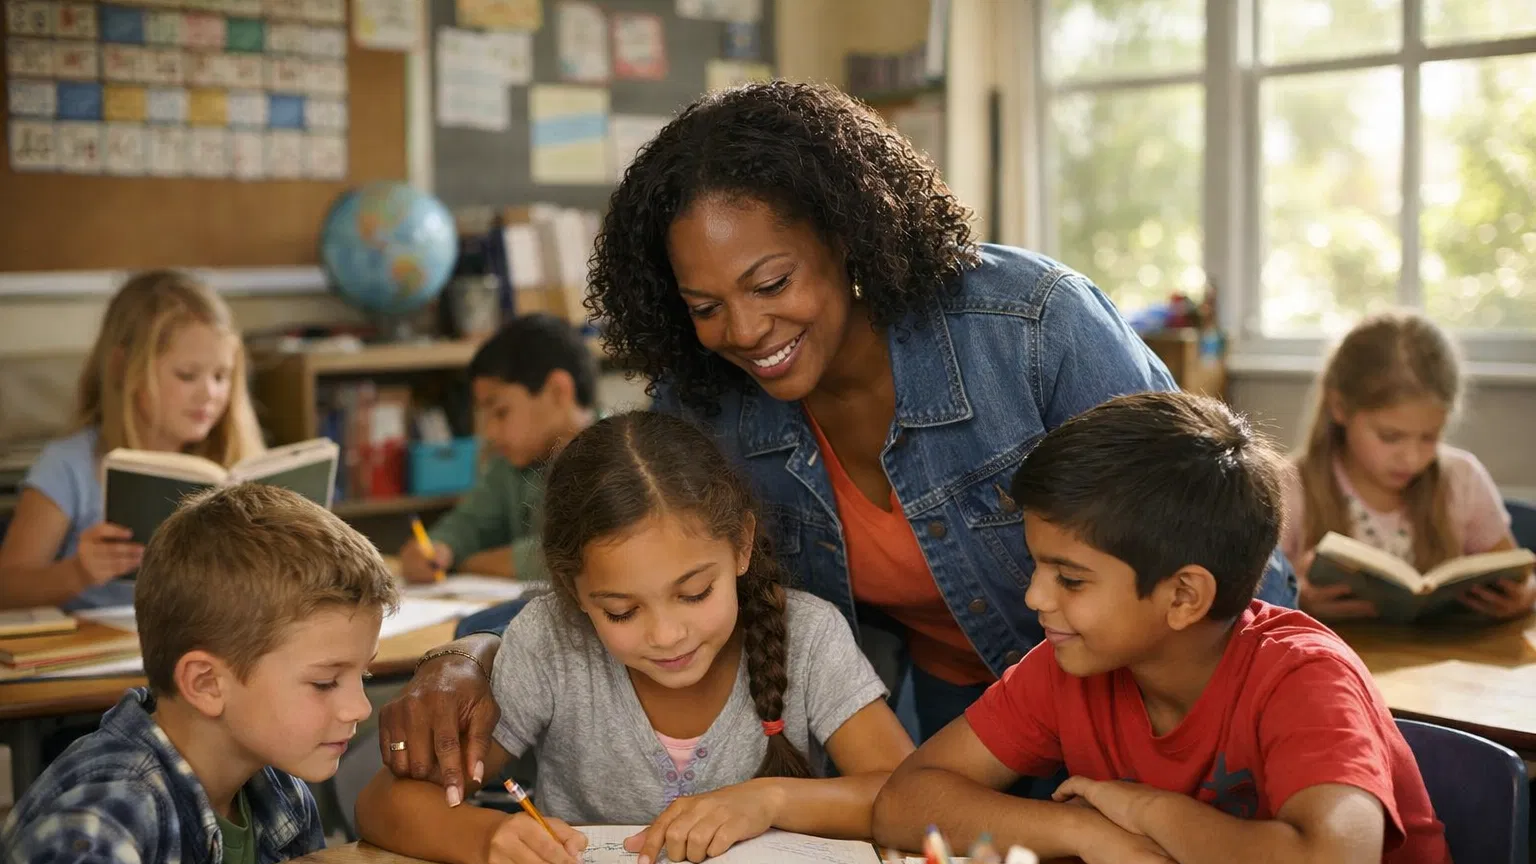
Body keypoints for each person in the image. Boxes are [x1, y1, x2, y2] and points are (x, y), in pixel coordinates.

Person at [375, 81, 1298, 781]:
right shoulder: (705, 398)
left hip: (1149, 705)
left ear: (848, 236)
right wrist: (471, 649)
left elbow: (1222, 537)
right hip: (954, 711)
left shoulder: (1030, 327)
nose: (742, 332)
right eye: (705, 304)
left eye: (772, 285)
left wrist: (1261, 722)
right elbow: (616, 567)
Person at [871, 392, 1457, 864]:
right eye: (1038, 567)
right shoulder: (1071, 664)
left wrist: (1151, 810)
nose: (1034, 597)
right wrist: (1083, 832)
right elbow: (905, 802)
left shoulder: (1304, 677)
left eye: (1070, 579)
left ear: (1183, 597)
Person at [356, 412, 913, 864]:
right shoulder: (552, 643)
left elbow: (910, 795)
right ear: (574, 590)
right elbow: (383, 804)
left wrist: (770, 802)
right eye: (621, 612)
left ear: (741, 546)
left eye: (695, 593)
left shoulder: (809, 636)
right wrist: (490, 838)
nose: (667, 635)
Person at [0, 484, 448, 864]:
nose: (358, 706)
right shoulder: (119, 787)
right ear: (207, 683)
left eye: (365, 674)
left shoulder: (281, 791)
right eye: (327, 682)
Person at [0, 269, 264, 611]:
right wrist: (78, 572)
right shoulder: (70, 465)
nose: (209, 394)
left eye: (221, 376)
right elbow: (6, 586)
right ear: (125, 368)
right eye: (187, 375)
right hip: (95, 649)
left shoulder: (232, 462)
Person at [1282, 311, 1532, 621]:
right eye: (1390, 437)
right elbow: (1244, 607)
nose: (1412, 458)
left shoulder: (1462, 479)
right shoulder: (1289, 487)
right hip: (1333, 664)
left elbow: (1521, 576)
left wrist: (1524, 596)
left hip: (1449, 663)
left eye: (1429, 437)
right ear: (1339, 408)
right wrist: (1296, 598)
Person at [399, 313, 598, 583]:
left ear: (557, 391)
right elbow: (468, 524)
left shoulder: (621, 457)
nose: (490, 432)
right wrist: (437, 548)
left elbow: (573, 556)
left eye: (501, 412)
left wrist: (469, 563)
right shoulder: (513, 465)